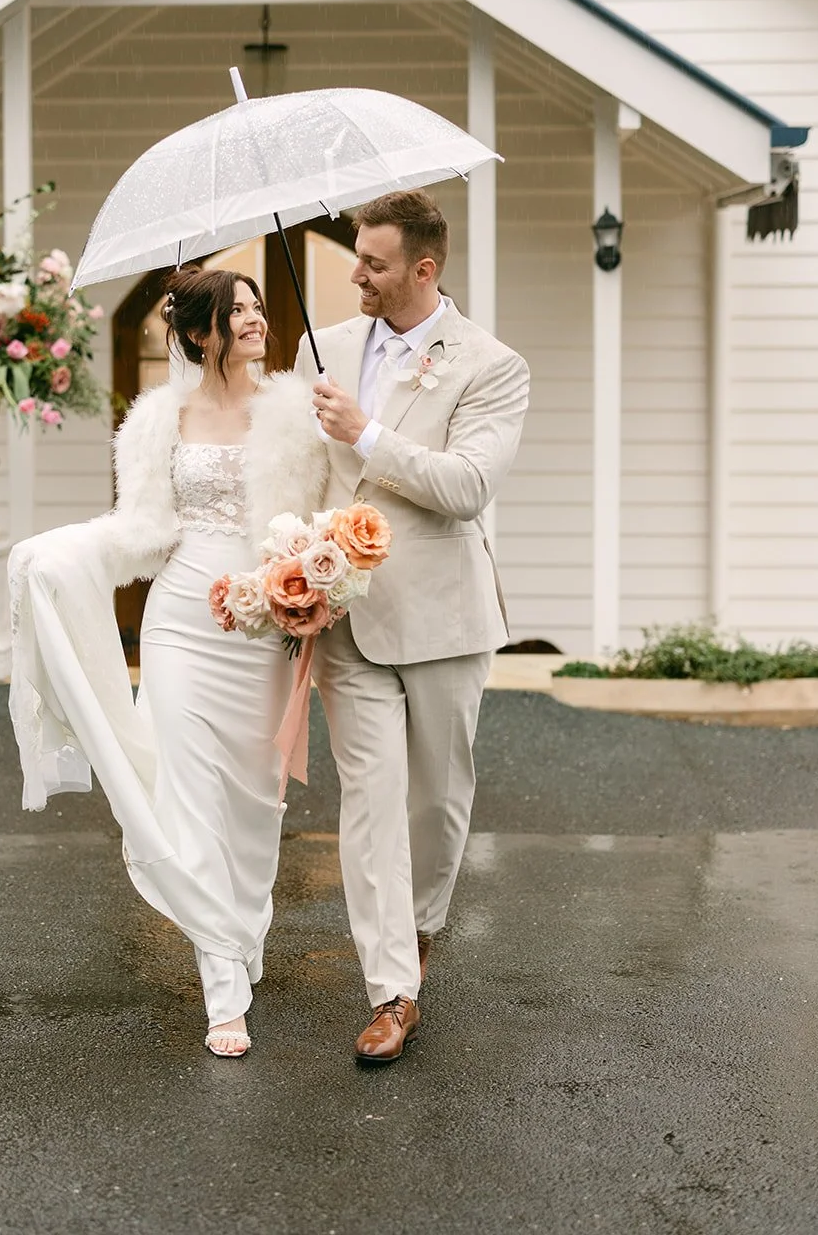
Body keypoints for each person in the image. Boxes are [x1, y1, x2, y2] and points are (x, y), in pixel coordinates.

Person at [9, 267, 327, 1057]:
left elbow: (318, 518)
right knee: (189, 796)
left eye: (257, 306)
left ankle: (238, 930)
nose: (256, 319)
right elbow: (138, 530)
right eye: (238, 311)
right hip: (182, 619)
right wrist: (58, 552)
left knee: (255, 804)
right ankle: (223, 985)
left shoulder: (294, 414)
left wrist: (312, 577)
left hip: (262, 622)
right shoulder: (157, 420)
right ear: (197, 333)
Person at [298, 190, 529, 1064]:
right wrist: (290, 568)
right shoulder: (322, 347)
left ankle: (422, 927)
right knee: (368, 804)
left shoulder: (491, 365)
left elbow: (468, 486)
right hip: (347, 620)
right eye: (357, 256)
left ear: (423, 270)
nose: (356, 272)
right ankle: (391, 987)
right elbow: (306, 470)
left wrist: (367, 434)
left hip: (441, 616)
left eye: (374, 263)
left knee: (436, 801)